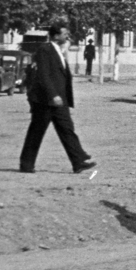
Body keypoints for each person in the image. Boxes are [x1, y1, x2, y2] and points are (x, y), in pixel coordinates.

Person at [18, 23, 97, 174]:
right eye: (64, 33)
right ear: (56, 35)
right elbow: (44, 75)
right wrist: (53, 94)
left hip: (59, 99)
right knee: (36, 132)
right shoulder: (45, 50)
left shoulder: (58, 50)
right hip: (45, 100)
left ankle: (78, 161)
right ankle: (26, 164)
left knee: (67, 129)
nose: (67, 36)